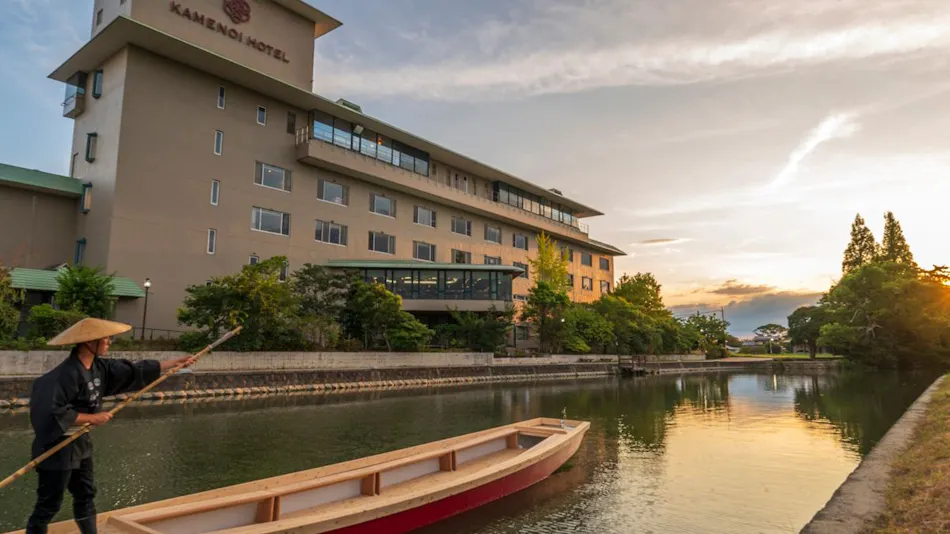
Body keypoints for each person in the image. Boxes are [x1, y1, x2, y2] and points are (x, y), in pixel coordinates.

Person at [25, 318, 196, 534]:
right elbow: (49, 412)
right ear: (89, 342)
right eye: (105, 339)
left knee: (86, 494)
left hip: (80, 443)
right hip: (57, 446)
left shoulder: (101, 367)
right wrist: (92, 418)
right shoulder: (61, 376)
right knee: (50, 503)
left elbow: (134, 370)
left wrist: (173, 364)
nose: (109, 342)